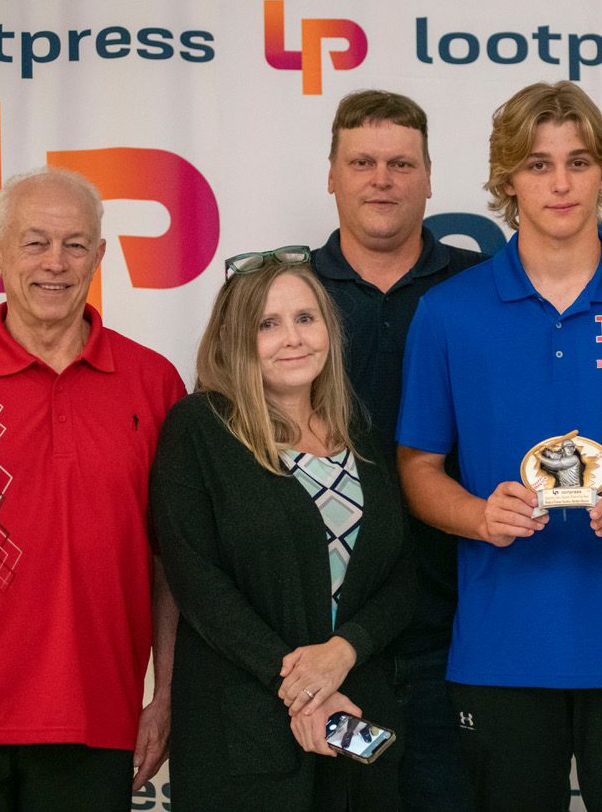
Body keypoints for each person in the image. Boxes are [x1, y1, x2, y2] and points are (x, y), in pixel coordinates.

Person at [396, 80, 602, 812]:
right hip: (500, 649)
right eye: (538, 165)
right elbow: (417, 468)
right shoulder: (448, 312)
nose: (561, 183)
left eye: (578, 162)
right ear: (507, 180)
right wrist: (479, 515)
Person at [0, 167, 183, 811]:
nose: (55, 263)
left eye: (75, 245)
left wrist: (166, 696)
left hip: (96, 721)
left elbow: (173, 563)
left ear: (99, 256)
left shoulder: (153, 383)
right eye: (35, 242)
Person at [150, 252, 413, 810]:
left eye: (305, 318)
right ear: (234, 339)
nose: (292, 338)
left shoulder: (360, 434)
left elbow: (402, 577)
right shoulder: (199, 428)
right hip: (242, 730)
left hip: (354, 715)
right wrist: (301, 686)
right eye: (267, 324)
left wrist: (344, 651)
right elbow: (197, 581)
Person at [312, 89, 483, 812]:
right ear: (332, 174)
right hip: (325, 643)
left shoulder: (484, 288)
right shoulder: (285, 297)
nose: (381, 179)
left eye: (401, 164)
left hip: (456, 635)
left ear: (430, 178)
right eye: (362, 162)